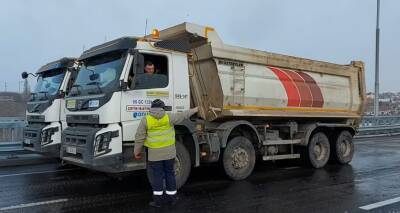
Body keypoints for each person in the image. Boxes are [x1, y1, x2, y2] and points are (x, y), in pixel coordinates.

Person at [134, 99, 198, 208]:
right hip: (169, 154)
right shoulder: (168, 117)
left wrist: (137, 152)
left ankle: (158, 202)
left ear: (152, 108)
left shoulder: (146, 120)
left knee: (157, 176)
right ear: (162, 108)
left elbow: (139, 137)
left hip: (154, 156)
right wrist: (195, 109)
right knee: (170, 174)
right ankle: (172, 199)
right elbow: (183, 115)